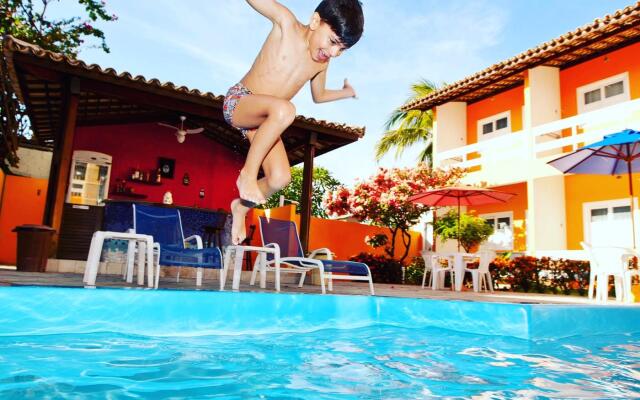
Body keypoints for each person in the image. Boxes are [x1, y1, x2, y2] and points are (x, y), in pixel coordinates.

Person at [224, 0, 364, 245]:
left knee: (280, 178)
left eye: (341, 49)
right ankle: (247, 175)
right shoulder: (285, 24)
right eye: (332, 42)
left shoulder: (321, 62)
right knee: (286, 109)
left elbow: (318, 96)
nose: (333, 53)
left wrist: (345, 92)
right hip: (239, 102)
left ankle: (240, 208)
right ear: (315, 21)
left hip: (266, 121)